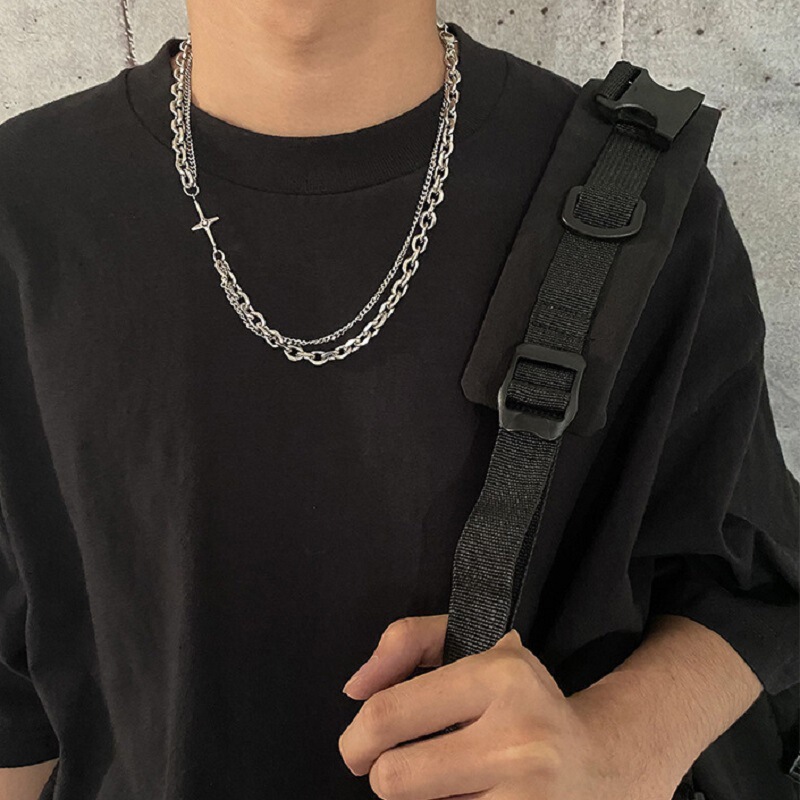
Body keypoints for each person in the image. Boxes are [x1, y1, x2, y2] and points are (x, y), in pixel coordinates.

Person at [0, 2, 797, 799]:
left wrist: (616, 749)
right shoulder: (23, 207)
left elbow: (757, 580)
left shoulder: (634, 198)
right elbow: (14, 709)